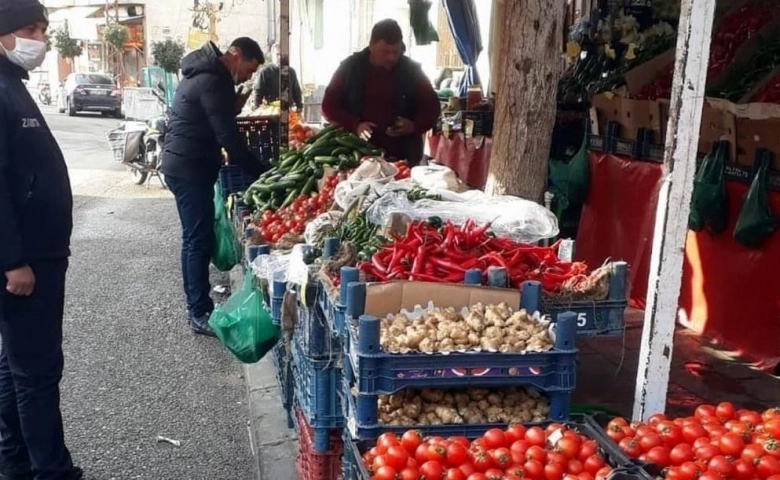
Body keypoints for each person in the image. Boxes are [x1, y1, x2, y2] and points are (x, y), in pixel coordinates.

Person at [0, 1, 83, 479]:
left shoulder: (12, 84)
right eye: (31, 28)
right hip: (26, 260)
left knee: (17, 365)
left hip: (39, 253)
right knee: (37, 372)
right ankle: (52, 470)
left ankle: (14, 459)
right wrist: (12, 261)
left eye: (43, 29)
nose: (41, 39)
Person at [161, 38, 267, 336]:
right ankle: (198, 312)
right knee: (198, 239)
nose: (249, 76)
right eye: (250, 68)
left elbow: (211, 119)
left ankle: (197, 307)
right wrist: (262, 173)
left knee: (195, 237)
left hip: (186, 164)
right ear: (235, 55)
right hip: (188, 167)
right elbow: (228, 139)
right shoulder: (211, 80)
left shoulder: (207, 75)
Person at [321, 19, 440, 166]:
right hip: (356, 155)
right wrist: (355, 125)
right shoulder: (350, 68)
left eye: (395, 52)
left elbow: (432, 106)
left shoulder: (412, 71)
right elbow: (328, 106)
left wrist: (413, 126)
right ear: (371, 46)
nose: (391, 58)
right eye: (385, 52)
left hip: (403, 158)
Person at [253, 43, 303, 109]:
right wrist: (257, 111)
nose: (280, 57)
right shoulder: (265, 73)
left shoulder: (291, 72)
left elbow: (297, 92)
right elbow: (258, 93)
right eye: (277, 54)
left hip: (288, 110)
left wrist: (299, 107)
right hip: (270, 112)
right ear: (272, 55)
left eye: (281, 55)